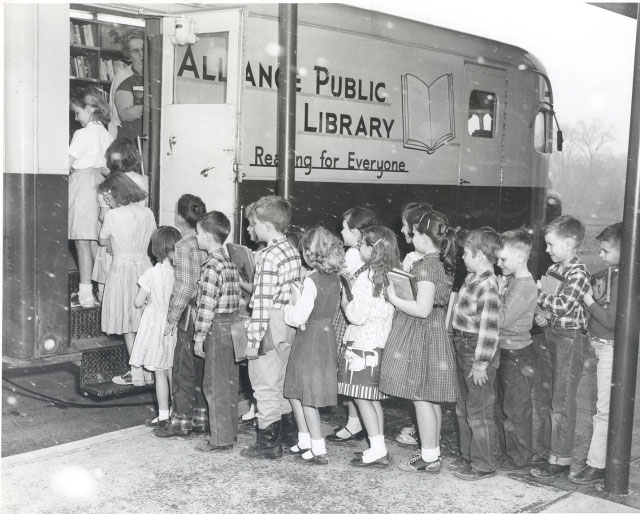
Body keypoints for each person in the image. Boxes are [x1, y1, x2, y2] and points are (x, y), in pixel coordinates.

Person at [380, 208, 459, 473]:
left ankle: (428, 456)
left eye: (413, 233)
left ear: (424, 237)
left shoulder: (426, 265)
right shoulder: (440, 263)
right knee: (430, 397)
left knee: (420, 397)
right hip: (432, 333)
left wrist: (394, 297)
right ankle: (431, 450)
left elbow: (422, 308)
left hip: (420, 334)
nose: (409, 236)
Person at [240, 196, 302, 460]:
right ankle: (288, 434)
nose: (250, 229)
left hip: (268, 322)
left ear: (266, 225)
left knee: (264, 384)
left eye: (253, 224)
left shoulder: (267, 257)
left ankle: (268, 444)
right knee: (282, 380)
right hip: (287, 323)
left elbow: (262, 302)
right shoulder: (291, 250)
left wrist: (252, 341)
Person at [530, 215, 591, 479]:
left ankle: (561, 459)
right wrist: (541, 313)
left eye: (551, 244)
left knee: (562, 401)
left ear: (569, 243)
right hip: (550, 334)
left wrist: (536, 294)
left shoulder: (579, 273)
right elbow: (549, 307)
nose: (547, 249)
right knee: (545, 397)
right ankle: (545, 453)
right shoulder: (556, 270)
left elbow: (563, 305)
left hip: (570, 338)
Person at [283, 227, 344, 465]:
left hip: (310, 338)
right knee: (297, 391)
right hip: (325, 336)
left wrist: (288, 308)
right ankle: (304, 440)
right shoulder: (335, 278)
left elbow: (299, 317)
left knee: (306, 395)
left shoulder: (311, 280)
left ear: (309, 253)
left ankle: (318, 449)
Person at [338, 226, 397, 468]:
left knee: (363, 399)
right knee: (372, 400)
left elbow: (357, 316)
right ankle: (378, 446)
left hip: (361, 344)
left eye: (362, 243)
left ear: (372, 249)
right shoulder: (390, 274)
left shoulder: (366, 277)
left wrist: (345, 299)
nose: (358, 247)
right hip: (378, 343)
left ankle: (377, 450)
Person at [152, 194, 209, 438]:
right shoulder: (210, 240)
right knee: (202, 369)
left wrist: (172, 318)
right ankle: (201, 418)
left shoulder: (184, 245)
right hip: (209, 310)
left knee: (183, 369)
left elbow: (185, 287)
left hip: (191, 312)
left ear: (179, 218)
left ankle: (181, 421)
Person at [569, 222, 621, 485]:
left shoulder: (624, 279)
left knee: (603, 409)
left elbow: (612, 321)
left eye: (605, 251)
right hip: (601, 345)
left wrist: (588, 300)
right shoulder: (613, 273)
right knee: (602, 407)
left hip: (611, 348)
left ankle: (597, 464)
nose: (601, 256)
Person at [449, 227, 501, 481]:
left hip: (475, 352)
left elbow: (489, 331)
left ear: (479, 255)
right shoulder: (472, 279)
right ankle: (467, 456)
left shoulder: (488, 286)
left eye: (466, 253)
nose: (462, 257)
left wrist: (481, 364)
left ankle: (483, 464)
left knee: (478, 410)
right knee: (463, 407)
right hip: (463, 346)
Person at [98, 173, 156, 385]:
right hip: (143, 268)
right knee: (144, 321)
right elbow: (153, 238)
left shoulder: (112, 216)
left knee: (127, 323)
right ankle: (150, 371)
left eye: (108, 194)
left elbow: (102, 240)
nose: (107, 199)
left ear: (116, 194)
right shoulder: (147, 213)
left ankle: (136, 372)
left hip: (121, 270)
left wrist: (115, 244)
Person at [192, 211, 242, 452]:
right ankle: (230, 431)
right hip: (232, 326)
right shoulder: (229, 262)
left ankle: (220, 439)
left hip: (217, 327)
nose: (196, 236)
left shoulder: (211, 266)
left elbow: (206, 306)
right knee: (230, 383)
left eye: (199, 233)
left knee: (214, 385)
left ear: (209, 237)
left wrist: (198, 337)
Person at [327, 207, 378, 443]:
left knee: (350, 374)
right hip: (351, 315)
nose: (340, 231)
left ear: (357, 233)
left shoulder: (352, 256)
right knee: (352, 377)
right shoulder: (361, 254)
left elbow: (337, 282)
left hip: (347, 315)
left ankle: (355, 423)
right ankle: (357, 423)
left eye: (344, 227)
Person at [493, 228, 538, 471]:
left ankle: (520, 457)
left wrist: (495, 296)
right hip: (506, 351)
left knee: (516, 409)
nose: (498, 264)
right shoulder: (512, 281)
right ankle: (510, 453)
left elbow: (501, 319)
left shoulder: (523, 286)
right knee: (504, 407)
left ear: (520, 257)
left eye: (503, 259)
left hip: (518, 354)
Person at [128, 226, 181, 426]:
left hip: (156, 327)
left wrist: (150, 300)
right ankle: (179, 412)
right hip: (173, 324)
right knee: (173, 372)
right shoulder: (178, 273)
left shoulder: (151, 273)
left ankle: (163, 414)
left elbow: (138, 302)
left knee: (159, 372)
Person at [69, 86, 113, 308]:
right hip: (99, 184)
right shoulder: (106, 133)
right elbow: (107, 167)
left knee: (81, 241)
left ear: (88, 108)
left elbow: (67, 163)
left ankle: (85, 295)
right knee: (96, 241)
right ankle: (105, 293)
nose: (76, 118)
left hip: (82, 184)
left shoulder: (82, 134)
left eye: (77, 113)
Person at [395, 201, 433, 448]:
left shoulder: (420, 262)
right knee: (421, 389)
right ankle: (424, 433)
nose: (401, 229)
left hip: (418, 327)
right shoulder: (429, 260)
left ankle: (425, 439)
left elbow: (420, 304)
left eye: (405, 225)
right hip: (423, 326)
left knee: (420, 389)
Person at [93, 138, 149, 301]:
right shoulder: (143, 180)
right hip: (137, 242)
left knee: (107, 278)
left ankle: (105, 305)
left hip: (114, 242)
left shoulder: (110, 182)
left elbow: (103, 216)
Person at [108, 30, 144, 141]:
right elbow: (123, 115)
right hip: (128, 136)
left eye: (143, 49)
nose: (141, 54)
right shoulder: (123, 77)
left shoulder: (154, 74)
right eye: (136, 51)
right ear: (128, 55)